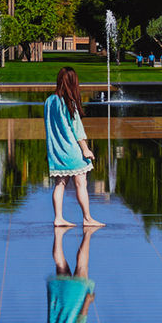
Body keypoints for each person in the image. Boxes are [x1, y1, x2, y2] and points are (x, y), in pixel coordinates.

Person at [44, 67, 104, 228]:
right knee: (81, 183)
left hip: (56, 149)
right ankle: (87, 218)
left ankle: (58, 218)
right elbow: (77, 129)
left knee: (60, 183)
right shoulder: (68, 103)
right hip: (72, 150)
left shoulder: (49, 101)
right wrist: (85, 149)